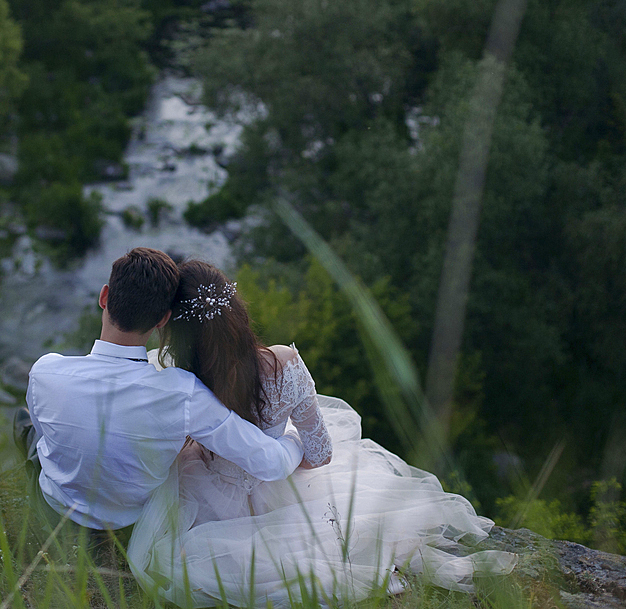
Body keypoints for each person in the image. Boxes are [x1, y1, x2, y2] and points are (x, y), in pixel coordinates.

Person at [127, 260, 517, 607]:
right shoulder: (283, 366)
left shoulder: (173, 374)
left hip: (206, 501)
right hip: (284, 493)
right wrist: (286, 444)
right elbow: (320, 454)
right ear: (237, 313)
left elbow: (164, 450)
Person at [15, 248, 305, 548]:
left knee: (31, 428)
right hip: (130, 523)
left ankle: (25, 437)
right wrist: (295, 438)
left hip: (55, 509)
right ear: (162, 320)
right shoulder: (182, 394)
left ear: (104, 297)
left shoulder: (45, 371)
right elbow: (272, 463)